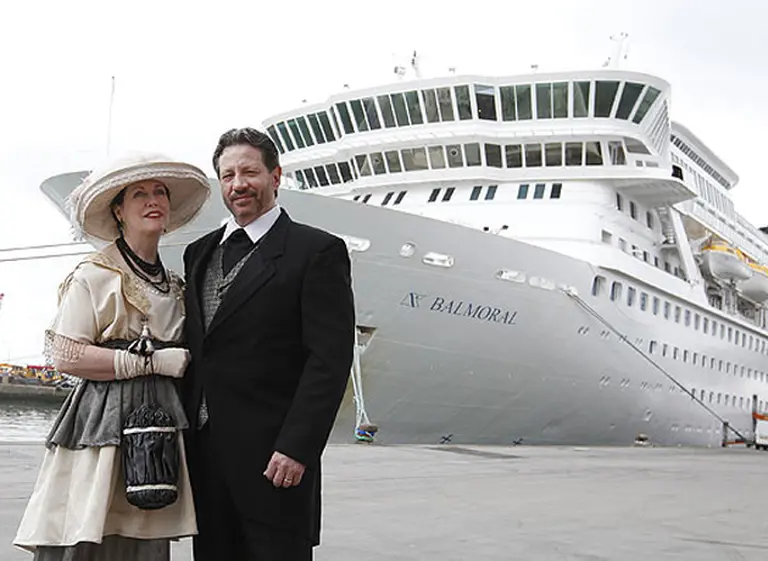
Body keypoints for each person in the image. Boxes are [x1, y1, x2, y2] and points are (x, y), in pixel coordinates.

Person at [13, 152, 211, 560]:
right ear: (118, 210)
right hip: (103, 422)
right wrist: (151, 363)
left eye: (160, 192)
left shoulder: (174, 285)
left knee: (145, 530)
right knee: (93, 527)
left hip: (160, 421)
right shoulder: (95, 274)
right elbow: (65, 355)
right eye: (139, 193)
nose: (153, 200)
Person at [181, 127, 355, 560]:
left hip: (275, 461)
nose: (238, 184)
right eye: (227, 175)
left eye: (249, 172)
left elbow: (328, 360)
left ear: (276, 176)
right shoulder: (198, 253)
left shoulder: (316, 251)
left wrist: (297, 447)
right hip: (204, 456)